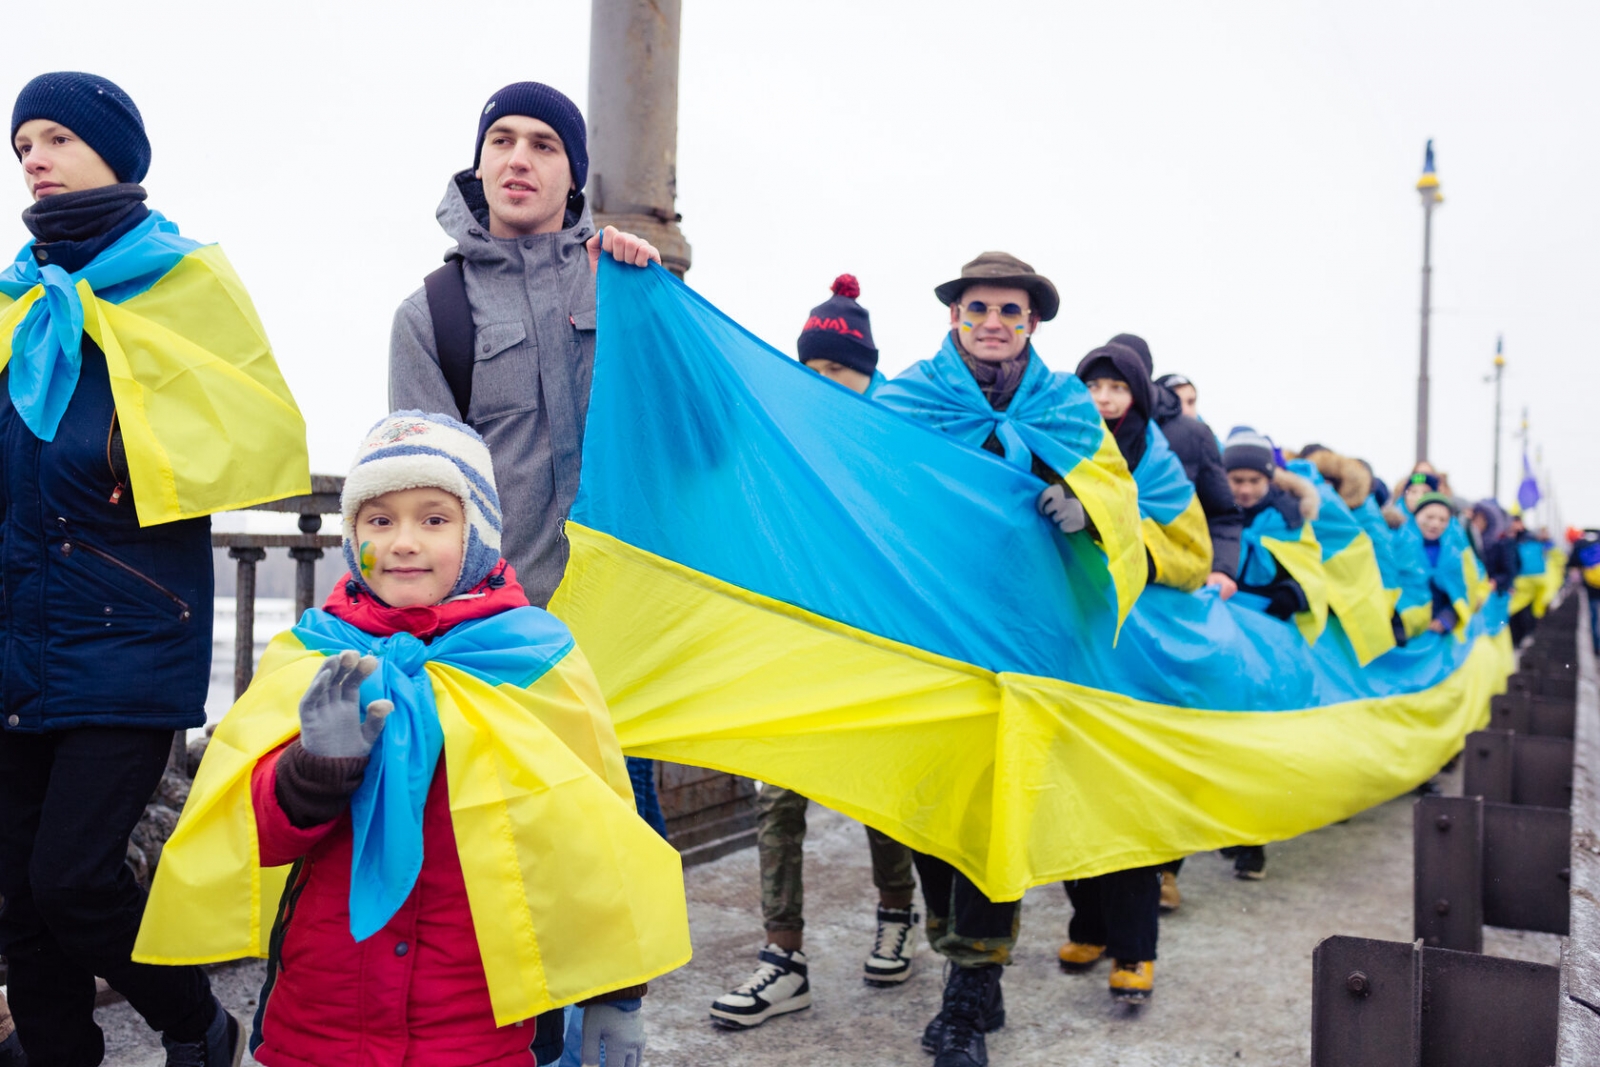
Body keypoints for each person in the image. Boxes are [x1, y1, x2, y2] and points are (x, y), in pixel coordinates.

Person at [137, 413, 689, 1066]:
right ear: (352, 537)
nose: (403, 541)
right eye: (379, 520)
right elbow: (255, 835)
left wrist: (616, 991)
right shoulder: (312, 654)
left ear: (478, 533)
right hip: (318, 1020)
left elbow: (596, 837)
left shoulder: (534, 660)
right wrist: (311, 771)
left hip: (477, 1026)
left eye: (433, 518)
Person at [1, 72, 310, 1066]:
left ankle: (194, 1021)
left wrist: (135, 452)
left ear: (113, 154)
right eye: (22, 147)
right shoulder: (15, 303)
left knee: (77, 878)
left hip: (128, 630)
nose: (34, 160)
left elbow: (253, 428)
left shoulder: (182, 284)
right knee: (16, 891)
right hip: (18, 630)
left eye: (54, 138)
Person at [876, 252, 1144, 1067]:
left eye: (1011, 311)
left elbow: (1118, 501)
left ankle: (964, 997)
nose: (993, 321)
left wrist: (1087, 508)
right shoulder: (909, 396)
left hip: (1026, 641)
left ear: (1033, 324)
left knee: (998, 808)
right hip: (928, 633)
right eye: (978, 307)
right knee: (928, 810)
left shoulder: (1065, 406)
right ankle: (972, 971)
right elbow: (857, 474)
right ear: (954, 315)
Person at [710, 276, 921, 1031]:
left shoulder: (901, 437)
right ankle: (783, 956)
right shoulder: (781, 433)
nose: (827, 380)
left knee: (879, 793)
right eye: (816, 366)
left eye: (841, 368)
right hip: (793, 640)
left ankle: (896, 911)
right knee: (778, 798)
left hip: (876, 645)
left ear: (868, 370)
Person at [389, 81, 661, 609]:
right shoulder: (428, 317)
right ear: (480, 163)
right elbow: (421, 505)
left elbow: (705, 447)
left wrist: (654, 299)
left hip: (638, 622)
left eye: (543, 145)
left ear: (574, 174)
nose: (518, 159)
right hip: (501, 634)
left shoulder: (623, 288)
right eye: (500, 140)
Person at [1079, 341, 1218, 595]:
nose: (1103, 397)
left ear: (1138, 395)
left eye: (1118, 387)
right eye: (1092, 386)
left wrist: (1140, 558)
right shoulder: (1057, 443)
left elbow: (1196, 557)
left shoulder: (1161, 468)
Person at [1113, 339, 1241, 595]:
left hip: (1167, 575)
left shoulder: (1193, 434)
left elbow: (1222, 512)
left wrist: (1221, 569)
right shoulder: (1084, 426)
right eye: (1098, 382)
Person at [1568, 528, 1600, 655]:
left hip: (1591, 585)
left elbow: (1573, 563)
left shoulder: (1580, 544)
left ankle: (1597, 646)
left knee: (1594, 615)